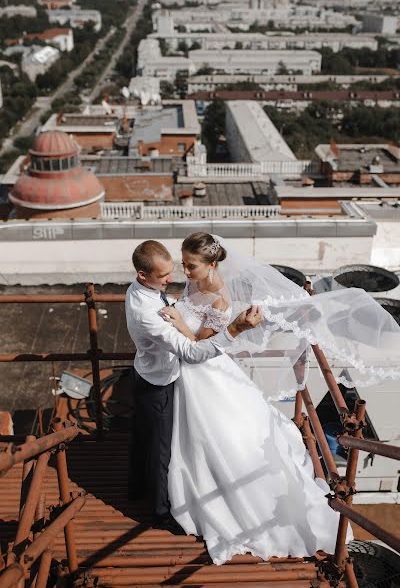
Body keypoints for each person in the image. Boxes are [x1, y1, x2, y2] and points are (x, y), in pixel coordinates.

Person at [161, 232, 400, 565]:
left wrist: (174, 323)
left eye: (191, 266)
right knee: (194, 439)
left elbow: (201, 349)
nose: (184, 272)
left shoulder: (219, 299)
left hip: (203, 372)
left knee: (217, 439)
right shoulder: (194, 285)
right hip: (192, 377)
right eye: (183, 264)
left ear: (213, 264)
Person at [125, 240, 263, 532]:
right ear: (142, 274)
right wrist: (235, 329)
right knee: (162, 450)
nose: (175, 277)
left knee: (151, 438)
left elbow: (193, 333)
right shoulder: (148, 312)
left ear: (211, 264)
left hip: (164, 373)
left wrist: (179, 314)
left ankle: (136, 487)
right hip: (162, 380)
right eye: (165, 275)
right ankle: (161, 513)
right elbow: (191, 351)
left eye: (184, 267)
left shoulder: (144, 290)